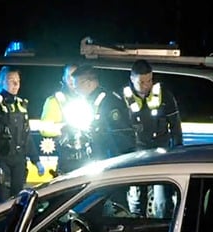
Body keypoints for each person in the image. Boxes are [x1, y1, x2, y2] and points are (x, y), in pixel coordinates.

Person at [122, 59, 183, 216]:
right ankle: (136, 229)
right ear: (131, 78)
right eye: (141, 81)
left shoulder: (164, 95)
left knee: (163, 200)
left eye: (149, 80)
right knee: (136, 198)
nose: (146, 85)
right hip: (135, 154)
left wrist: (178, 152)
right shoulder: (122, 97)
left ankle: (162, 230)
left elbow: (176, 127)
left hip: (160, 153)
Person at [0, 66, 44, 204]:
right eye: (11, 80)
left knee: (18, 202)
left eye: (18, 81)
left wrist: (36, 160)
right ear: (1, 82)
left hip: (19, 161)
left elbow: (27, 136)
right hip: (1, 160)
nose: (16, 84)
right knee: (1, 204)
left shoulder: (21, 105)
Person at [67, 65, 134, 168]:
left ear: (88, 83)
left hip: (111, 163)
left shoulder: (109, 101)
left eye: (77, 87)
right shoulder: (89, 102)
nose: (75, 90)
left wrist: (116, 166)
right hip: (98, 160)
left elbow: (120, 136)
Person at [38, 63, 79, 175]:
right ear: (63, 79)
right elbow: (44, 129)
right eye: (69, 76)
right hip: (66, 156)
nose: (72, 79)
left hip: (88, 156)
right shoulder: (54, 101)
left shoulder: (88, 97)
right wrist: (63, 128)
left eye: (75, 75)